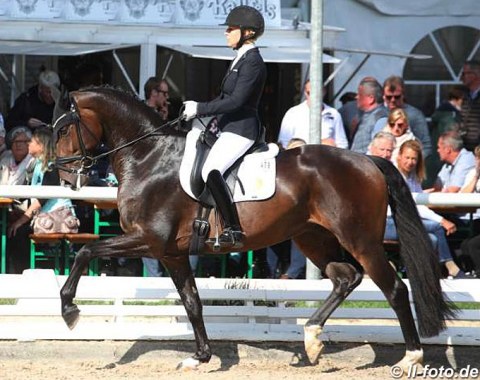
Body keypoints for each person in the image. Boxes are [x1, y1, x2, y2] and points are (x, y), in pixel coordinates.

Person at [181, 5, 267, 249]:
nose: (226, 33)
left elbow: (237, 101)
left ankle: (233, 228)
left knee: (211, 169)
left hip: (242, 129)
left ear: (248, 32)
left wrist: (200, 108)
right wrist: (197, 112)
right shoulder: (239, 58)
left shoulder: (253, 62)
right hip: (228, 126)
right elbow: (222, 98)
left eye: (231, 29)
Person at [7, 128, 77, 273]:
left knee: (18, 232)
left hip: (57, 217)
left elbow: (41, 199)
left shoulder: (51, 167)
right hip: (44, 215)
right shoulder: (37, 165)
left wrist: (21, 220)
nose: (29, 144)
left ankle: (21, 273)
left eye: (32, 141)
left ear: (41, 145)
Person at [278, 79, 348, 149]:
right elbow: (283, 143)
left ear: (324, 92)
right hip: (299, 157)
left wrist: (331, 147)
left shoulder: (334, 114)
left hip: (325, 158)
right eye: (310, 93)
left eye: (317, 92)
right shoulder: (293, 113)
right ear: (305, 93)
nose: (314, 96)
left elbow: (342, 144)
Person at [425, 85, 467, 187]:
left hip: (435, 158)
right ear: (460, 98)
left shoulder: (441, 113)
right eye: (464, 100)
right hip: (443, 158)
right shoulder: (451, 115)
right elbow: (451, 137)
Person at [380, 75, 432, 157]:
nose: (393, 100)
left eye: (397, 97)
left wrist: (413, 163)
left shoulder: (415, 115)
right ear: (383, 96)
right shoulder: (378, 114)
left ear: (403, 95)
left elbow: (426, 146)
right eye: (389, 97)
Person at [350, 77, 388, 154]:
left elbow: (380, 149)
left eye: (360, 94)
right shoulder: (363, 115)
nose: (356, 97)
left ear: (371, 98)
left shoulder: (381, 118)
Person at [460, 60, 480, 151]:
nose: (462, 77)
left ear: (476, 75)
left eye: (465, 74)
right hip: (465, 147)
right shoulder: (462, 95)